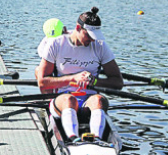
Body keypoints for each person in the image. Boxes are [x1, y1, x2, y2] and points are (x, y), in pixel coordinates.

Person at [35, 7, 124, 141]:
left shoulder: (100, 46)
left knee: (99, 100)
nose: (92, 40)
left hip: (89, 100)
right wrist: (73, 78)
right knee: (69, 100)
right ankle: (73, 140)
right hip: (62, 98)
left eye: (95, 37)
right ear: (78, 28)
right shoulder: (56, 44)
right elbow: (42, 82)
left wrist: (94, 81)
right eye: (89, 35)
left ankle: (97, 140)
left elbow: (118, 82)